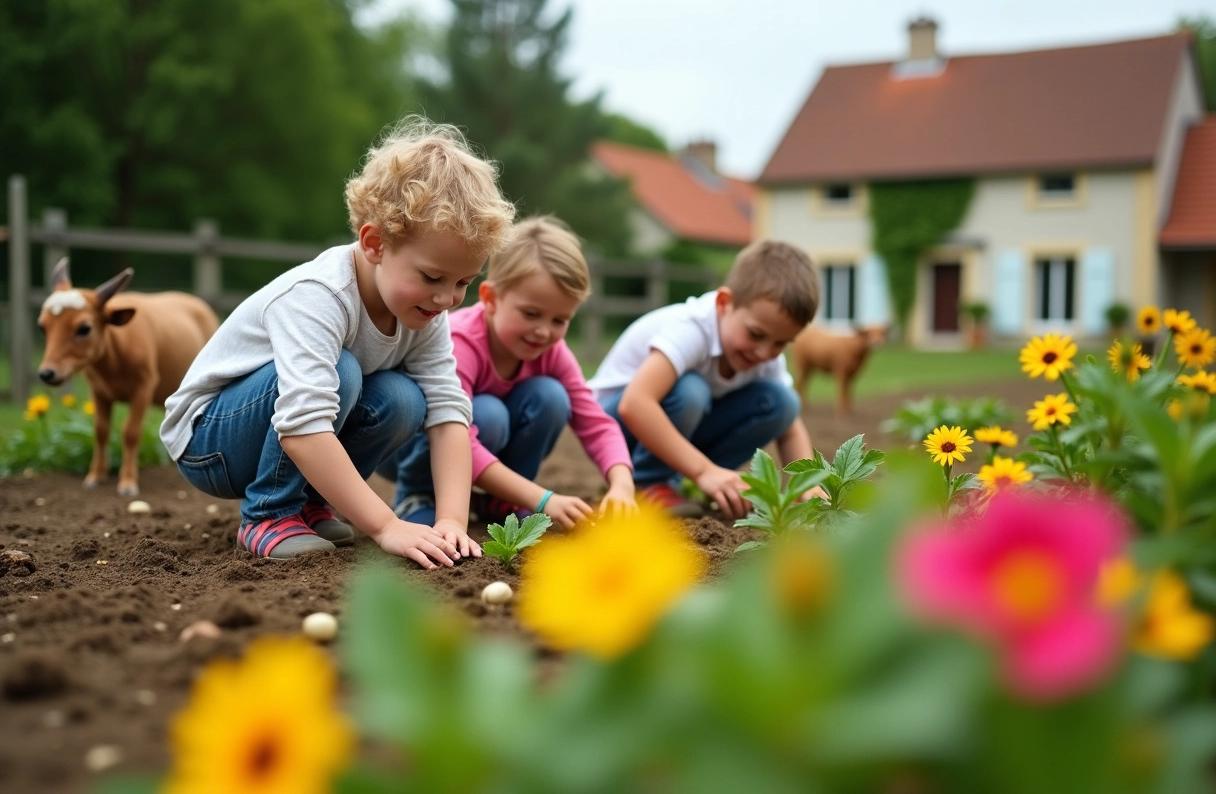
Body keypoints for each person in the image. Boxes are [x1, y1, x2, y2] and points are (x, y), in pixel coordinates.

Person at [159, 116, 515, 565]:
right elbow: (302, 422)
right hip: (209, 442)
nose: (447, 299)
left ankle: (310, 504)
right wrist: (387, 525)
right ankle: (268, 514)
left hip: (279, 431)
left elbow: (449, 413)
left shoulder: (425, 311)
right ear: (374, 244)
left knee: (405, 398)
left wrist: (451, 522)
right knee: (342, 372)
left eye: (464, 281)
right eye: (432, 277)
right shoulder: (318, 297)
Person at [386, 216, 636, 529]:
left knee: (552, 397)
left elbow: (594, 421)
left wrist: (622, 483)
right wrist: (543, 498)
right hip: (416, 442)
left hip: (476, 443)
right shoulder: (460, 341)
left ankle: (504, 500)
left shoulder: (552, 352)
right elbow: (455, 433)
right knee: (488, 414)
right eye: (531, 314)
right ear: (491, 298)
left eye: (560, 320)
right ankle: (419, 495)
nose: (544, 332)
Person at [588, 240, 819, 519]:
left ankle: (688, 483)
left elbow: (790, 425)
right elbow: (634, 403)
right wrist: (704, 471)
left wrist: (808, 485)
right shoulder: (691, 329)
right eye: (756, 335)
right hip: (612, 431)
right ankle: (646, 483)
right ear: (724, 303)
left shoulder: (765, 356)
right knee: (691, 391)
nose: (765, 352)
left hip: (672, 427)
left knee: (782, 402)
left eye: (781, 344)